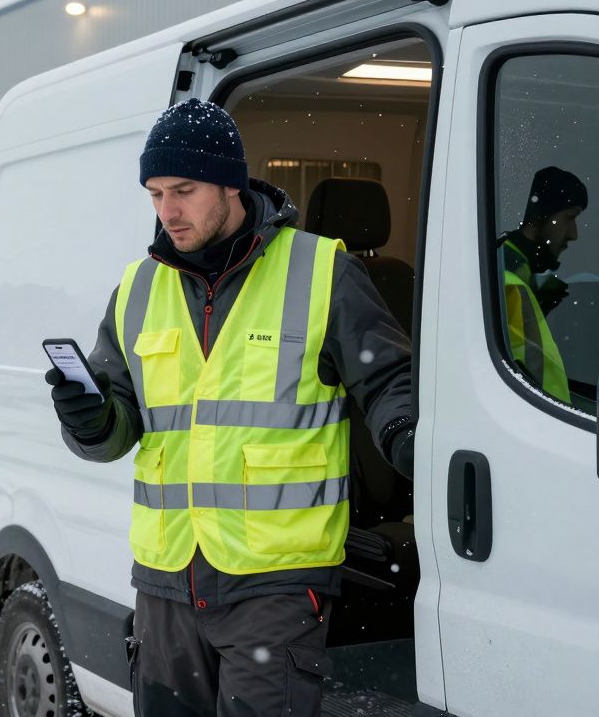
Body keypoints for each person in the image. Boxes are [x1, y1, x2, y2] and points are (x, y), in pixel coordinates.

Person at [45, 98, 415, 717]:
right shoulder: (137, 289)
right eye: (156, 194)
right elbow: (116, 425)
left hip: (277, 583)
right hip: (165, 582)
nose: (168, 211)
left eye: (183, 190)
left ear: (231, 184)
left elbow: (389, 381)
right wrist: (88, 420)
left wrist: (407, 435)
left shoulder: (323, 271)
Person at [497, 166, 587, 404]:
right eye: (569, 217)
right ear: (541, 215)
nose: (574, 233)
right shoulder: (509, 283)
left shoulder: (515, 268)